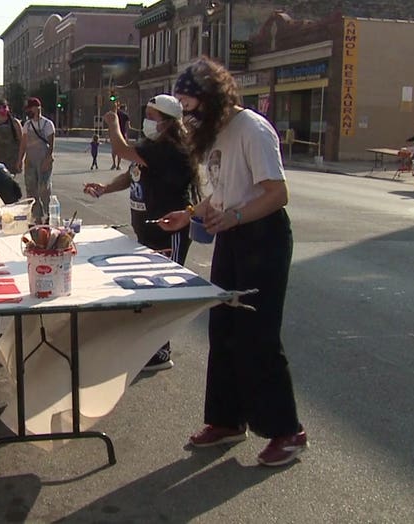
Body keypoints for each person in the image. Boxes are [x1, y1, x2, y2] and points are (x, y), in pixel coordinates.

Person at [157, 57, 308, 466]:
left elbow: (276, 193)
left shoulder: (252, 129)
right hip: (232, 237)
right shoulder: (217, 132)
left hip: (263, 238)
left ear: (212, 97)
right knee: (223, 330)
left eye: (191, 107)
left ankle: (287, 431)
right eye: (184, 109)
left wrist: (237, 216)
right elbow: (223, 192)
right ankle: (226, 421)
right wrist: (189, 213)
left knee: (258, 334)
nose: (188, 117)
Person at [85, 94, 195, 372]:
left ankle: (161, 351)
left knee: (163, 289)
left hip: (169, 228)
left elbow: (121, 151)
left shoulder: (169, 148)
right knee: (148, 288)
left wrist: (112, 124)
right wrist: (105, 188)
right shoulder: (151, 146)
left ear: (168, 123)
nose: (147, 121)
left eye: (152, 116)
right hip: (146, 228)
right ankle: (149, 345)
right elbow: (131, 173)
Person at [17, 97, 55, 224]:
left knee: (44, 188)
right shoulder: (27, 125)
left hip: (44, 160)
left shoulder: (47, 124)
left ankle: (48, 214)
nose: (28, 111)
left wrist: (47, 160)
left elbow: (51, 145)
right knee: (31, 189)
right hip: (30, 161)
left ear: (37, 108)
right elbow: (23, 144)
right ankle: (37, 217)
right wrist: (20, 160)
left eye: (30, 108)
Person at [110, 103, 130, 170]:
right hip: (122, 133)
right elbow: (128, 126)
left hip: (114, 133)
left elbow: (111, 124)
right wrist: (126, 135)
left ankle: (113, 164)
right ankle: (118, 165)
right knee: (120, 149)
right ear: (124, 108)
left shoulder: (115, 114)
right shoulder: (126, 116)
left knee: (114, 149)